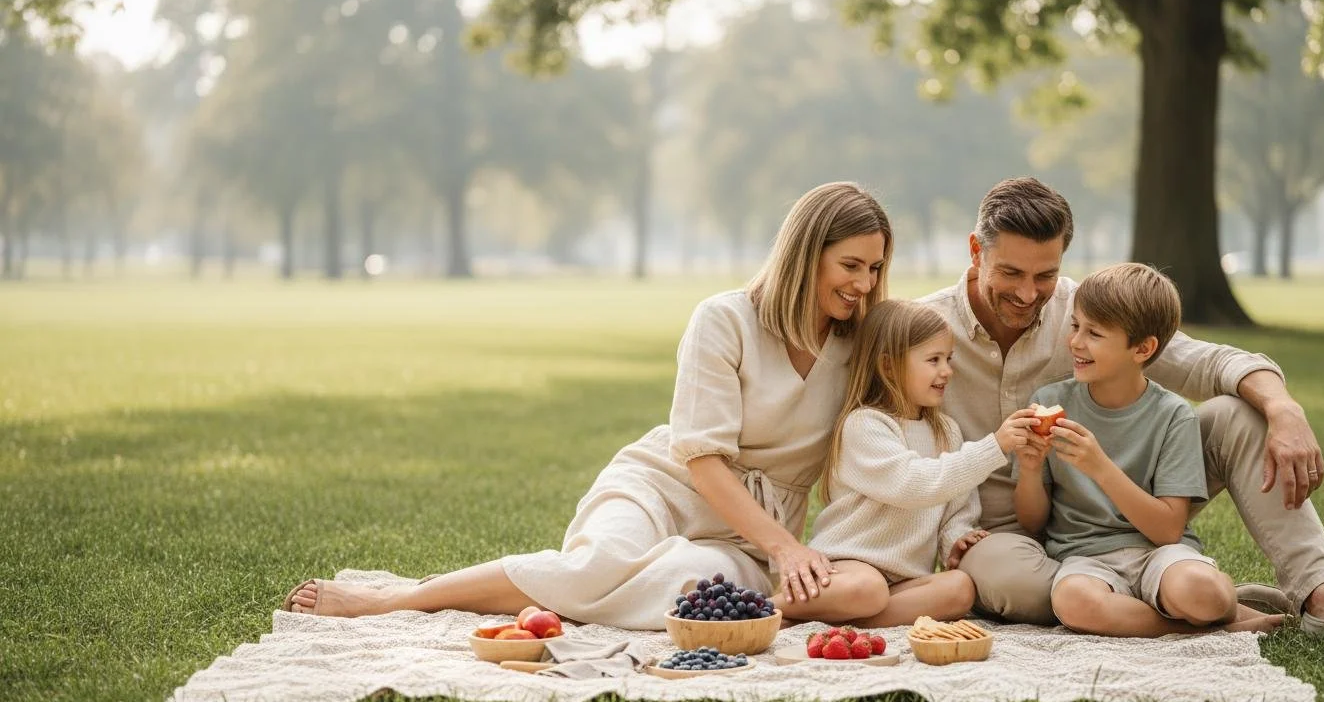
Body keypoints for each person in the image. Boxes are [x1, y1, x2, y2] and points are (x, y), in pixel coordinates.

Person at [283, 181, 894, 630]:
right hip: (665, 485)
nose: (863, 284)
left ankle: (553, 597)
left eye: (873, 268)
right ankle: (395, 601)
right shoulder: (724, 319)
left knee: (689, 586)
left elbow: (918, 408)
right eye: (849, 265)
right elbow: (703, 461)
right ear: (804, 253)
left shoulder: (861, 345)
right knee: (600, 563)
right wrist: (788, 548)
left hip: (748, 539)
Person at [919, 176, 1324, 633]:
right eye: (1011, 273)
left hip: (1122, 506)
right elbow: (871, 428)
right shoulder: (922, 328)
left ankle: (1322, 593)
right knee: (1022, 588)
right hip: (1001, 531)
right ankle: (1203, 609)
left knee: (1239, 413)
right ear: (976, 252)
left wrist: (1285, 409)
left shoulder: (1086, 310)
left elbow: (1207, 361)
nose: (1027, 294)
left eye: (1044, 275)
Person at [1014, 263, 1283, 636]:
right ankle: (1203, 628)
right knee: (1073, 602)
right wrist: (1029, 469)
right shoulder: (1048, 401)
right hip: (1085, 558)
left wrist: (1100, 468)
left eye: (1094, 333)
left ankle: (1214, 607)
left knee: (1204, 593)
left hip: (1160, 554)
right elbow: (1032, 521)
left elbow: (1169, 529)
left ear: (1143, 348)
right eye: (1075, 326)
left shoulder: (1173, 416)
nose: (1076, 342)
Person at [770, 299, 1039, 626]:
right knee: (867, 590)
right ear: (888, 366)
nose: (947, 371)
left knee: (960, 589)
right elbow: (915, 484)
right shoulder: (865, 425)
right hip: (851, 566)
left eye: (949, 359)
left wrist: (955, 538)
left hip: (904, 580)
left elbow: (956, 503)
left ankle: (837, 616)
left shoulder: (946, 430)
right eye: (933, 360)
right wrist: (994, 446)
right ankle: (765, 609)